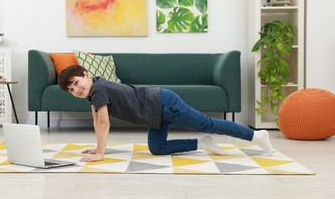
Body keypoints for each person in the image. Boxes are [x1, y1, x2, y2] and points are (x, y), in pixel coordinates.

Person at [58, 65, 275, 162]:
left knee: (209, 123)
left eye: (76, 83)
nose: (76, 90)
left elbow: (104, 123)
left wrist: (101, 154)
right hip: (154, 113)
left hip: (164, 105)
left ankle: (257, 136)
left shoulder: (98, 90)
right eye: (71, 90)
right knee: (157, 148)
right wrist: (99, 148)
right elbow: (98, 121)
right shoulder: (94, 90)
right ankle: (202, 144)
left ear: (86, 75)